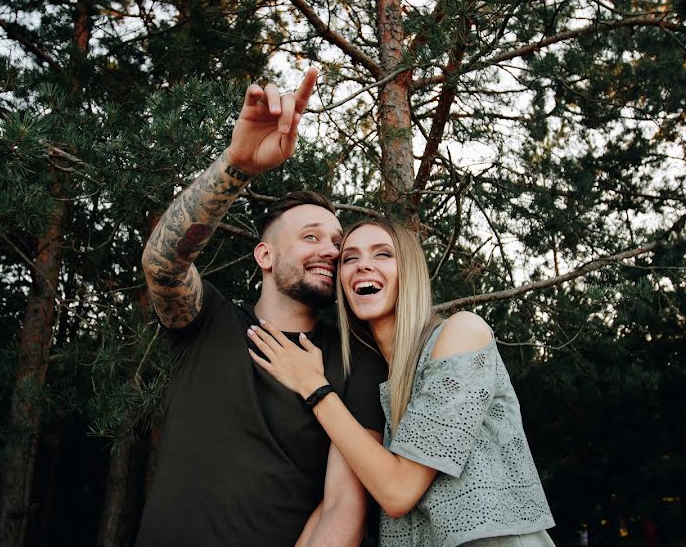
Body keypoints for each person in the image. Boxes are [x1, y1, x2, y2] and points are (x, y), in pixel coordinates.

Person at [136, 69, 388, 547]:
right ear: (265, 256)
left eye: (338, 243)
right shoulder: (207, 323)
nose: (332, 251)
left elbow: (342, 507)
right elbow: (162, 262)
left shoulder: (354, 359)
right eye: (310, 237)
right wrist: (237, 165)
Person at [247, 218, 557, 546]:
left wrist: (313, 386)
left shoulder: (462, 333)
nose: (363, 265)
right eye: (350, 258)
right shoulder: (367, 385)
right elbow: (335, 502)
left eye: (382, 254)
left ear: (409, 272)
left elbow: (398, 491)